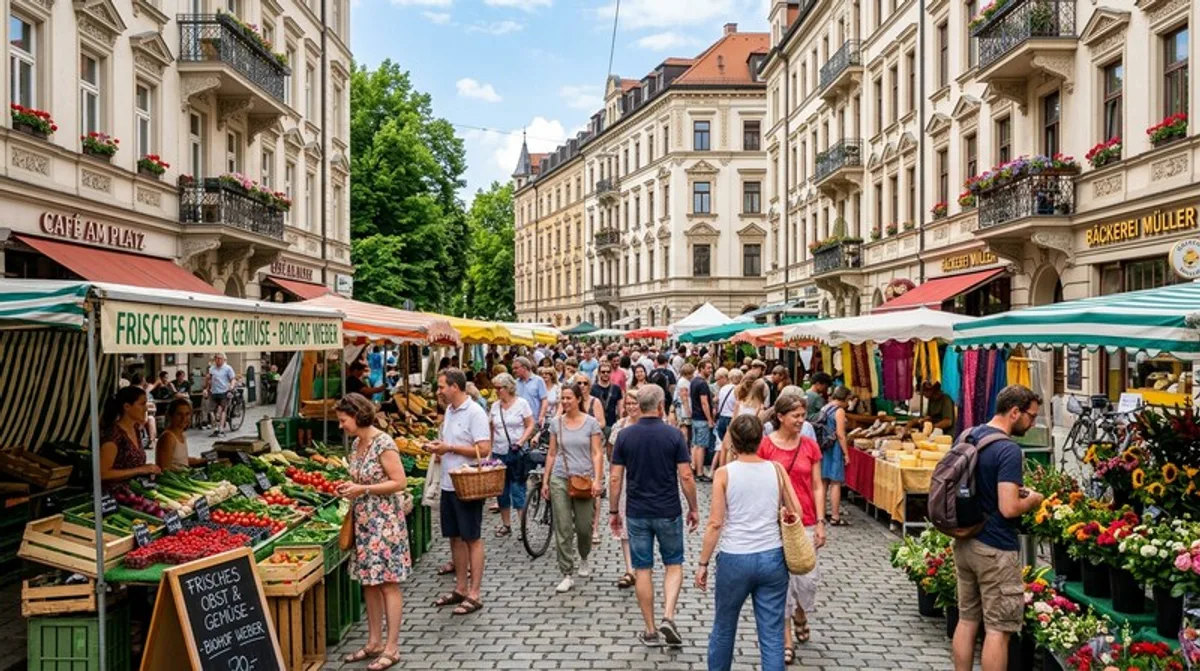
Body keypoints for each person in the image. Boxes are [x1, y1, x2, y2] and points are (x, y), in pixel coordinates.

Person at [699, 414, 802, 671]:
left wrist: (703, 563)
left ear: (733, 440)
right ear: (761, 439)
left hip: (735, 556)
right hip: (772, 557)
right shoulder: (775, 469)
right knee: (771, 634)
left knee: (724, 627)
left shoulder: (724, 474)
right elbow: (796, 510)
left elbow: (715, 523)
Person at [952, 385, 1044, 671]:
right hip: (994, 548)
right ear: (1014, 412)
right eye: (1030, 416)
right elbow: (1009, 507)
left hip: (965, 541)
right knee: (998, 629)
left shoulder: (968, 435)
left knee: (967, 620)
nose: (1032, 424)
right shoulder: (1008, 450)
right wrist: (1034, 500)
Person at [609, 385, 699, 648]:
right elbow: (686, 476)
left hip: (637, 512)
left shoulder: (625, 436)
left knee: (642, 568)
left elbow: (615, 478)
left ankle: (650, 630)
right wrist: (694, 507)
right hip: (668, 509)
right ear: (660, 406)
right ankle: (668, 615)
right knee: (673, 564)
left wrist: (614, 511)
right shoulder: (673, 436)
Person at [336, 393, 411, 671]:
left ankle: (392, 648)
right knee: (368, 582)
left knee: (388, 583)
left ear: (357, 416)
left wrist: (363, 489)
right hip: (364, 522)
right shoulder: (357, 443)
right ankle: (374, 642)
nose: (341, 425)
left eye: (343, 420)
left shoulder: (383, 443)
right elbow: (360, 478)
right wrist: (349, 487)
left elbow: (399, 482)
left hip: (384, 524)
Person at [759, 394, 827, 661]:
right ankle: (786, 640)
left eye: (802, 415)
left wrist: (821, 522)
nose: (801, 421)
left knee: (807, 580)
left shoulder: (810, 446)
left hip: (806, 521)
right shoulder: (765, 446)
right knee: (781, 584)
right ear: (780, 417)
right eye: (796, 416)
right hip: (774, 523)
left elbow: (817, 485)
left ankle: (801, 611)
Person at [429, 368, 491, 616]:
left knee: (472, 538)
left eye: (442, 386)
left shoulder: (475, 412)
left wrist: (450, 447)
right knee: (454, 537)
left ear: (455, 387)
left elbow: (484, 449)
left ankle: (475, 593)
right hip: (448, 481)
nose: (439, 391)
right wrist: (437, 448)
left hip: (467, 483)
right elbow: (449, 444)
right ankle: (461, 588)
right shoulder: (449, 410)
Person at [542, 383, 605, 593]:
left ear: (578, 399)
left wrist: (597, 479)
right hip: (560, 477)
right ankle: (566, 572)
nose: (565, 402)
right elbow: (552, 452)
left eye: (569, 398)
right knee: (563, 526)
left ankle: (584, 555)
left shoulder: (591, 424)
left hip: (583, 478)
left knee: (585, 527)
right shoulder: (556, 423)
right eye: (563, 398)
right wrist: (545, 479)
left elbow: (597, 452)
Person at [488, 373, 535, 537]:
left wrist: (522, 441)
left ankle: (523, 526)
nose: (496, 391)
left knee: (517, 488)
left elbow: (530, 425)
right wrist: (489, 452)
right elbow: (492, 429)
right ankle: (506, 524)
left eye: (499, 388)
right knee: (501, 489)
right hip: (498, 453)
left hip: (516, 452)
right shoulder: (495, 407)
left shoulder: (522, 404)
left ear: (508, 388)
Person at [607, 392, 642, 590]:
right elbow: (611, 453)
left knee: (641, 525)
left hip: (643, 478)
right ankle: (630, 569)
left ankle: (641, 566)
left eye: (634, 403)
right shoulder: (619, 426)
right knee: (625, 528)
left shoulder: (648, 425)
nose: (631, 407)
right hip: (623, 478)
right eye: (628, 403)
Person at [99, 386, 162, 484]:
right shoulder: (113, 435)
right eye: (142, 404)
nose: (146, 408)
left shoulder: (135, 429)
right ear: (127, 407)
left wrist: (147, 468)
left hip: (137, 488)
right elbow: (103, 474)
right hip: (117, 494)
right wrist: (140, 470)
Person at [818, 386, 853, 526]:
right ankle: (835, 516)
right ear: (844, 398)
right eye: (849, 399)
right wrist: (846, 454)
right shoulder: (839, 411)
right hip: (834, 448)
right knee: (835, 482)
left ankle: (820, 514)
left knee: (823, 482)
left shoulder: (825, 407)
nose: (849, 403)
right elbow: (840, 434)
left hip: (823, 447)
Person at [155, 399, 203, 471]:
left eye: (187, 414)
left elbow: (180, 461)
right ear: (171, 415)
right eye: (179, 414)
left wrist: (201, 460)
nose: (184, 418)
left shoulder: (182, 435)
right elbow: (164, 468)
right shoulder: (168, 437)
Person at [690, 360, 716, 482]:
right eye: (708, 368)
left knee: (696, 444)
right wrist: (710, 419)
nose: (710, 370)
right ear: (701, 368)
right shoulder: (703, 384)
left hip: (695, 417)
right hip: (701, 418)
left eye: (711, 368)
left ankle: (694, 467)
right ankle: (699, 472)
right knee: (701, 446)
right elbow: (704, 403)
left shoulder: (694, 381)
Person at [205, 353, 237, 437]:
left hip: (224, 391)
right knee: (211, 411)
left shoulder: (228, 368)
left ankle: (221, 430)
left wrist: (231, 386)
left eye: (220, 358)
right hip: (213, 392)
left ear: (223, 359)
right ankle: (215, 428)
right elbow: (210, 380)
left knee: (223, 410)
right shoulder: (212, 368)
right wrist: (206, 389)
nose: (218, 360)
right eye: (216, 358)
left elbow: (233, 379)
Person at [590, 363, 623, 444]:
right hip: (596, 424)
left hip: (612, 423)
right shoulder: (592, 388)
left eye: (608, 372)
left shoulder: (616, 388)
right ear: (599, 373)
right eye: (603, 372)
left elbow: (620, 407)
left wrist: (621, 421)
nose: (606, 374)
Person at [512, 357, 548, 428]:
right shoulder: (515, 383)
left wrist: (541, 416)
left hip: (535, 421)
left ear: (524, 368)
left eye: (516, 368)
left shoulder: (538, 381)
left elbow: (544, 400)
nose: (514, 371)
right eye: (513, 368)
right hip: (519, 423)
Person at [715, 368, 740, 445]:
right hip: (731, 418)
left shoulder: (723, 388)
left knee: (723, 445)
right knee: (732, 444)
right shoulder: (738, 389)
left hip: (722, 418)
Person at [674, 363, 693, 437]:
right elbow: (684, 398)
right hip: (683, 410)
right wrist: (688, 412)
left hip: (681, 408)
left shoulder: (681, 380)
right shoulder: (684, 382)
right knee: (684, 428)